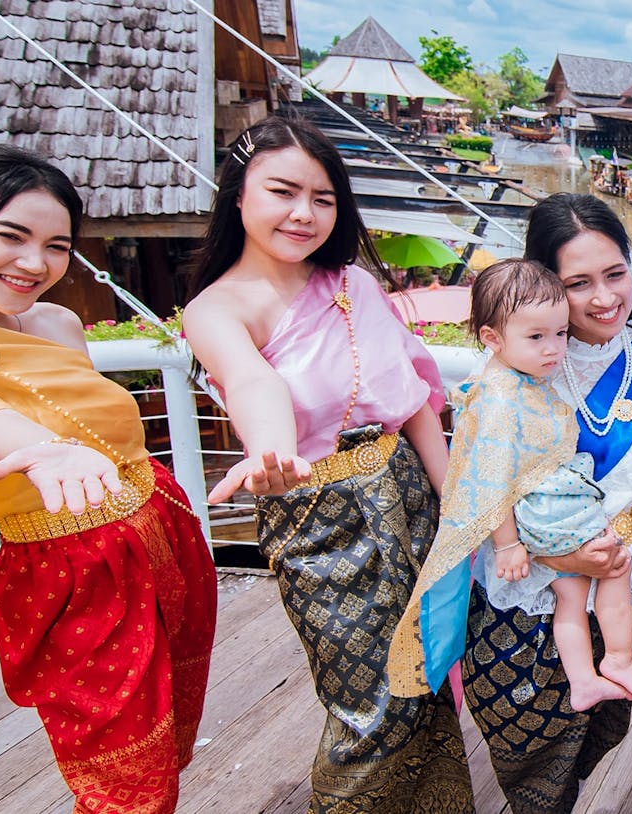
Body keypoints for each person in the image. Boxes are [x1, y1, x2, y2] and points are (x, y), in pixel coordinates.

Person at [0, 145, 217, 812]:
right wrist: (51, 450)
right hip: (72, 572)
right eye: (10, 236)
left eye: (56, 245)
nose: (35, 264)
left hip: (162, 527)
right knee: (121, 776)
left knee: (165, 738)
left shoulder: (55, 321)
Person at [182, 117, 472, 812]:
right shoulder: (216, 309)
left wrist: (458, 506)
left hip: (406, 491)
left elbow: (414, 404)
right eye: (283, 191)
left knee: (429, 675)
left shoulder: (354, 286)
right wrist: (271, 451)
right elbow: (253, 383)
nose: (304, 214)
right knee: (369, 703)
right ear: (238, 194)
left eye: (324, 198)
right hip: (317, 510)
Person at [390, 258, 632, 714]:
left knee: (570, 594)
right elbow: (492, 477)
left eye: (560, 334)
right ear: (492, 338)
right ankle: (619, 656)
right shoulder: (500, 397)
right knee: (616, 565)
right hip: (543, 509)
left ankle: (584, 679)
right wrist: (509, 544)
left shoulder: (507, 378)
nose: (554, 349)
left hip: (540, 505)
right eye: (537, 337)